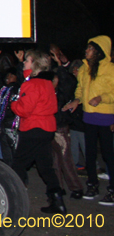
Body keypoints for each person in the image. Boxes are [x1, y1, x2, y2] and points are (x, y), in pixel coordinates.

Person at [11, 49, 66, 214]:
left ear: (34, 64)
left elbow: (24, 109)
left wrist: (14, 104)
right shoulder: (46, 83)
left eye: (27, 61)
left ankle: (15, 201)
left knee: (18, 165)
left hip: (34, 128)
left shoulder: (32, 84)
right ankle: (57, 201)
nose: (24, 63)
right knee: (45, 167)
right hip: (46, 127)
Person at [62, 35, 114, 205]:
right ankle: (92, 185)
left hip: (106, 115)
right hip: (89, 115)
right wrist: (77, 100)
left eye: (91, 48)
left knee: (108, 153)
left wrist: (102, 98)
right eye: (87, 48)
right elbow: (81, 88)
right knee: (90, 154)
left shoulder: (110, 69)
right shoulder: (84, 68)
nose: (87, 51)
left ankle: (112, 190)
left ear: (99, 51)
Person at [50, 44, 84, 199]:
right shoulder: (51, 91)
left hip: (61, 127)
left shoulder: (63, 90)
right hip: (51, 127)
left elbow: (67, 83)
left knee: (66, 160)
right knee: (55, 161)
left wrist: (59, 65)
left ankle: (76, 188)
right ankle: (59, 187)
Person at [0, 68, 21, 167]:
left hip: (13, 125)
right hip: (4, 124)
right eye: (8, 76)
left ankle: (19, 177)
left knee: (15, 153)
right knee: (6, 154)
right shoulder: (3, 89)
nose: (8, 78)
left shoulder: (16, 90)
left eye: (11, 76)